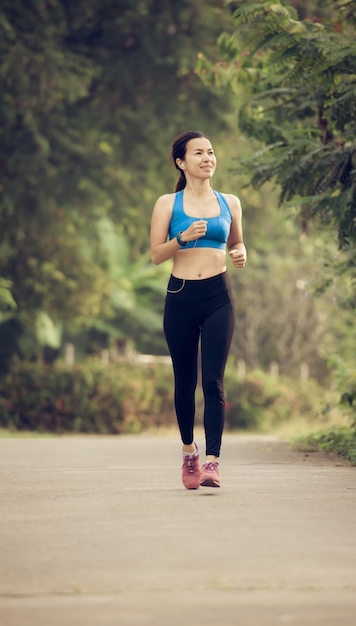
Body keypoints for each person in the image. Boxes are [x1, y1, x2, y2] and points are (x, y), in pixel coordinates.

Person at [150, 130, 246, 489]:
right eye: (198, 153)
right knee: (185, 381)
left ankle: (212, 462)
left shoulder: (230, 202)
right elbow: (156, 254)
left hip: (218, 295)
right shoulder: (167, 204)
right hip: (181, 296)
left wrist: (241, 254)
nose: (208, 158)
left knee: (213, 381)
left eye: (210, 152)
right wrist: (181, 239)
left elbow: (237, 244)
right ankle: (189, 452)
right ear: (181, 162)